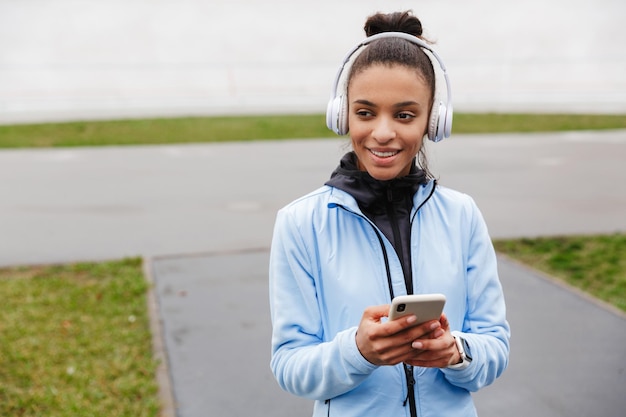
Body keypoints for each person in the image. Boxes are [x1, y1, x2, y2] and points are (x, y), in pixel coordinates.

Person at [269, 10, 510, 417]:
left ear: (433, 120)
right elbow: (290, 365)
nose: (383, 133)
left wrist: (455, 353)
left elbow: (495, 347)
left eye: (404, 114)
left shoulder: (462, 215)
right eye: (365, 113)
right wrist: (357, 351)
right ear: (342, 114)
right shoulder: (300, 223)